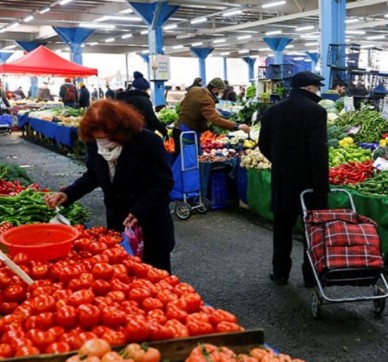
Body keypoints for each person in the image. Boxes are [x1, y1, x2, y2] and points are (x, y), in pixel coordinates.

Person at [44, 100, 175, 273]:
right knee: (123, 274)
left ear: (120, 130)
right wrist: (68, 194)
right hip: (118, 221)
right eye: (98, 138)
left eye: (107, 137)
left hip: (151, 222)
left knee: (156, 275)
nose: (102, 142)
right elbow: (93, 175)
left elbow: (164, 182)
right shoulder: (94, 144)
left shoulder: (147, 142)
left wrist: (140, 210)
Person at [258, 71, 330, 286]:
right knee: (313, 232)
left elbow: (263, 144)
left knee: (282, 231)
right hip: (310, 183)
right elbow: (318, 151)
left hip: (283, 181)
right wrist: (321, 186)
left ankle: (280, 273)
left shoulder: (272, 111)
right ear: (308, 88)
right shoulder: (316, 111)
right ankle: (310, 276)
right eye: (317, 87)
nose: (318, 91)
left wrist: (281, 163)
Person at [173, 77, 249, 154]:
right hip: (188, 132)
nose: (220, 94)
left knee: (182, 158)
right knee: (188, 161)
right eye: (221, 91)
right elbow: (215, 120)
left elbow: (183, 104)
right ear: (215, 89)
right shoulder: (207, 99)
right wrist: (237, 126)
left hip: (178, 127)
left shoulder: (194, 89)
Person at [115, 71, 167, 138]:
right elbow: (151, 119)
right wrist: (163, 131)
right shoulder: (144, 100)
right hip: (141, 133)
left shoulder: (121, 100)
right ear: (144, 89)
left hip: (124, 133)